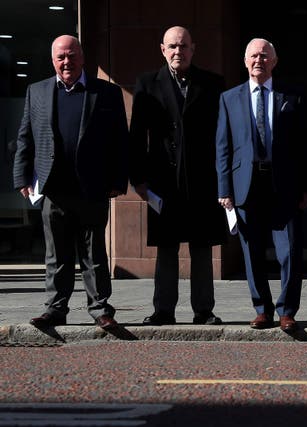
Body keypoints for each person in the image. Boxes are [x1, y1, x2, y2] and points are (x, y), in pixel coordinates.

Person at [12, 35, 128, 330]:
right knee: (56, 255)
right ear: (53, 60)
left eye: (72, 55)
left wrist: (118, 179)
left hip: (92, 187)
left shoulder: (107, 93)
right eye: (61, 57)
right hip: (53, 188)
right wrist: (21, 176)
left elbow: (119, 141)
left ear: (82, 57)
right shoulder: (36, 92)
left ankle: (100, 309)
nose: (67, 62)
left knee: (94, 254)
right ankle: (55, 309)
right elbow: (26, 136)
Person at [129, 26, 227, 326]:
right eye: (172, 46)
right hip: (163, 182)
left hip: (202, 180)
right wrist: (139, 180)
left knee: (201, 248)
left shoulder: (212, 84)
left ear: (193, 49)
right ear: (162, 49)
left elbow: (222, 136)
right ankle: (163, 311)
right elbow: (136, 137)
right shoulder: (147, 83)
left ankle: (203, 311)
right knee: (167, 249)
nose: (177, 52)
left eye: (183, 46)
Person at [216, 38, 307, 332]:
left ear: (275, 61)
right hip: (246, 185)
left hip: (284, 185)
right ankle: (262, 310)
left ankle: (287, 311)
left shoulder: (292, 96)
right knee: (252, 252)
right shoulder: (229, 98)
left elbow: (306, 145)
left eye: (265, 56)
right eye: (254, 56)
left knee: (290, 251)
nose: (259, 60)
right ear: (246, 61)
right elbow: (223, 146)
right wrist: (224, 189)